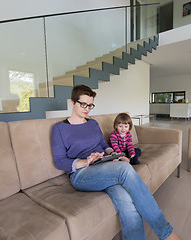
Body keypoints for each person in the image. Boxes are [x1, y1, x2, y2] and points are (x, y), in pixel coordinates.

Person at [51, 85, 183, 240]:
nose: (87, 109)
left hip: (104, 166)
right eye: (83, 104)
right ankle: (166, 233)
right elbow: (60, 162)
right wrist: (84, 161)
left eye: (90, 105)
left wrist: (112, 154)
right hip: (81, 174)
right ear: (73, 102)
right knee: (124, 169)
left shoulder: (92, 123)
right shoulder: (59, 128)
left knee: (126, 199)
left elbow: (104, 145)